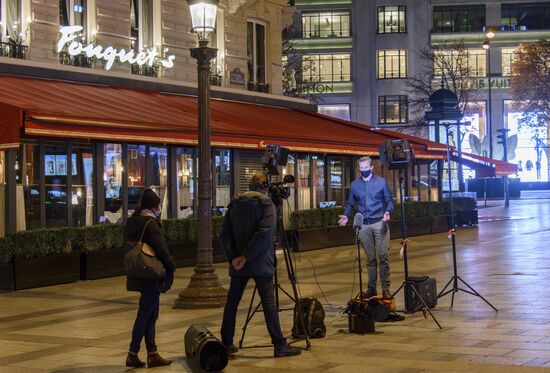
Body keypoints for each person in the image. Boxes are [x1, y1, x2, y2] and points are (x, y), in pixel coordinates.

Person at [220, 172, 301, 358]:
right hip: (260, 262)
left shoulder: (234, 204)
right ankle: (279, 345)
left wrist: (234, 257)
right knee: (268, 303)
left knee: (232, 303)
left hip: (238, 264)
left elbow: (224, 234)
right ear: (265, 187)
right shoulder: (267, 205)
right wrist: (246, 257)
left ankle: (226, 342)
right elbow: (264, 235)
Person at [125, 188, 176, 368]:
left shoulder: (133, 222)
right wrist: (172, 266)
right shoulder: (151, 224)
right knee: (145, 314)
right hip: (151, 274)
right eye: (159, 205)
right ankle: (133, 352)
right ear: (155, 206)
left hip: (140, 271)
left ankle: (152, 353)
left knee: (151, 314)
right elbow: (161, 249)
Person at [338, 156, 395, 299]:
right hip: (363, 225)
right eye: (361, 168)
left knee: (383, 256)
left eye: (366, 168)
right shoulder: (354, 185)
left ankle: (386, 288)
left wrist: (388, 212)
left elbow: (389, 200)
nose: (363, 170)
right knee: (370, 259)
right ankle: (372, 288)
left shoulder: (381, 183)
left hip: (379, 222)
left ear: (371, 167)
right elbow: (351, 204)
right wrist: (346, 215)